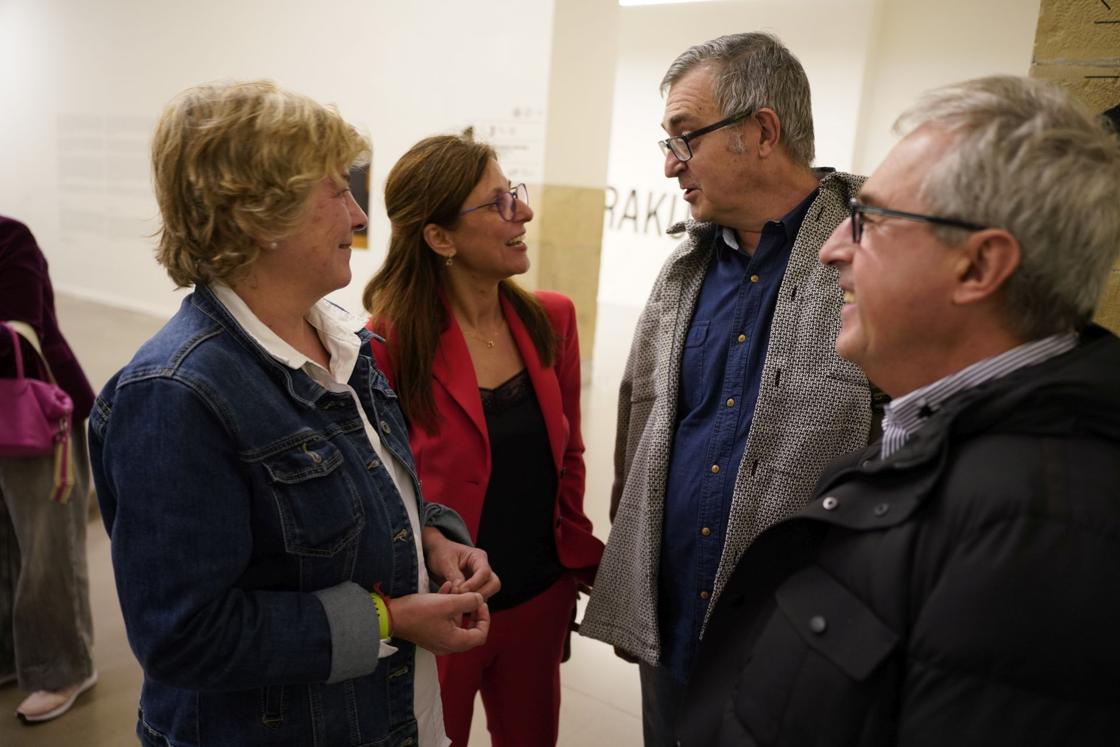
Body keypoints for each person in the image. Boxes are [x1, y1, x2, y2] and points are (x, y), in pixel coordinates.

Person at [680, 75, 1120, 746]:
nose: (832, 248)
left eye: (871, 221)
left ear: (978, 267)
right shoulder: (936, 445)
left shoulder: (1042, 529)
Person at [88, 81, 499, 747]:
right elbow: (184, 635)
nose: (359, 217)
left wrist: (433, 539)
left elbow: (363, 494)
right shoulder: (176, 394)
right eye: (336, 191)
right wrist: (389, 619)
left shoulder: (345, 344)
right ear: (258, 214)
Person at [580, 32, 878, 745]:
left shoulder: (871, 260)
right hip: (674, 622)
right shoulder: (680, 273)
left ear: (762, 131)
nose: (668, 165)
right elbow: (640, 428)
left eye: (686, 138)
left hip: (796, 636)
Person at [363, 132, 604, 747]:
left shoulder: (551, 319)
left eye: (514, 195)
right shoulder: (388, 343)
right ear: (440, 238)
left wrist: (569, 562)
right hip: (447, 612)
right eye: (496, 203)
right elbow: (381, 490)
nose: (521, 212)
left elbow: (568, 454)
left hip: (540, 598)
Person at [0, 216, 98, 724]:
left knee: (46, 548)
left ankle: (63, 667)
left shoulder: (8, 236)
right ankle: (12, 656)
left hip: (35, 413)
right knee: (6, 542)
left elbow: (16, 335)